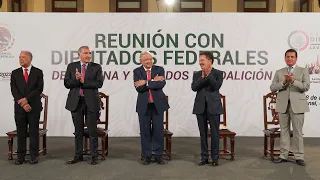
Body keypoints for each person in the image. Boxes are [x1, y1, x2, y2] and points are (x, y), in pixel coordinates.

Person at [64, 46, 104, 165]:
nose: (88, 55)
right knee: (78, 131)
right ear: (79, 54)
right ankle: (78, 155)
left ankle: (94, 156)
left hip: (91, 102)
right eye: (85, 53)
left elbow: (99, 83)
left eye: (89, 53)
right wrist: (76, 80)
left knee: (92, 131)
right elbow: (66, 83)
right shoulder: (72, 66)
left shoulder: (96, 67)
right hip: (76, 102)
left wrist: (83, 81)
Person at [270, 49, 310, 166]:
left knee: (298, 132)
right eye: (287, 56)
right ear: (285, 58)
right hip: (283, 106)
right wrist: (283, 82)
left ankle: (299, 157)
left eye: (292, 57)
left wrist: (293, 81)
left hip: (298, 106)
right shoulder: (279, 72)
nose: (290, 59)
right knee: (284, 131)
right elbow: (272, 87)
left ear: (296, 58)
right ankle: (283, 156)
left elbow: (305, 87)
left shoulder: (303, 71)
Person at [133, 51, 169, 165]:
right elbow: (138, 88)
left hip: (158, 105)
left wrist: (146, 82)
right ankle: (147, 155)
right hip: (144, 106)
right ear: (141, 61)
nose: (149, 61)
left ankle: (158, 155)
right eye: (146, 60)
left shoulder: (159, 69)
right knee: (145, 131)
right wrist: (153, 81)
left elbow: (161, 84)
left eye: (150, 59)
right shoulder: (137, 71)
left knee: (158, 131)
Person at [10, 51, 44, 165]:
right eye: (19, 57)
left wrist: (27, 100)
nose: (20, 59)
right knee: (21, 132)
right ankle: (21, 157)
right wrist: (23, 103)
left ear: (30, 59)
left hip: (34, 107)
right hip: (20, 108)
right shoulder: (15, 73)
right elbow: (14, 90)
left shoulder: (38, 72)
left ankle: (34, 156)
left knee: (34, 132)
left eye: (23, 57)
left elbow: (39, 89)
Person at [191, 51, 223, 166]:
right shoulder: (197, 74)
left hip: (214, 107)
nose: (200, 63)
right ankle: (204, 157)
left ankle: (215, 158)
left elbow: (216, 86)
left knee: (215, 133)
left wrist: (208, 77)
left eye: (202, 60)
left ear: (210, 61)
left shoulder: (218, 73)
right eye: (199, 61)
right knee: (202, 134)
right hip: (200, 107)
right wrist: (203, 77)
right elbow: (194, 87)